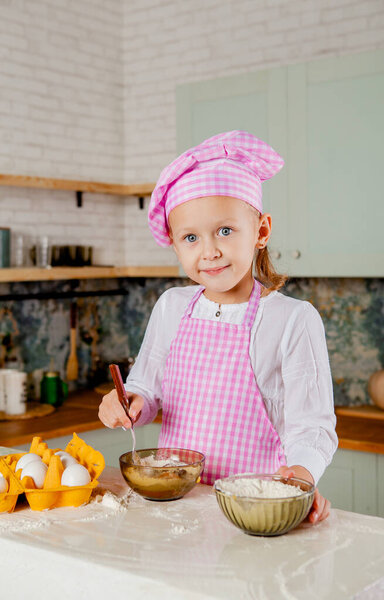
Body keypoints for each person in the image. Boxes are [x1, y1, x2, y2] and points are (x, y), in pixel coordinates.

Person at [99, 130, 337, 524]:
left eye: (225, 231)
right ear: (175, 246)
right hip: (176, 509)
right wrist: (129, 404)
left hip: (254, 510)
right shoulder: (171, 307)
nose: (209, 251)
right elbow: (146, 389)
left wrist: (301, 477)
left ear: (260, 231)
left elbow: (312, 426)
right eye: (191, 237)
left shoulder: (292, 319)